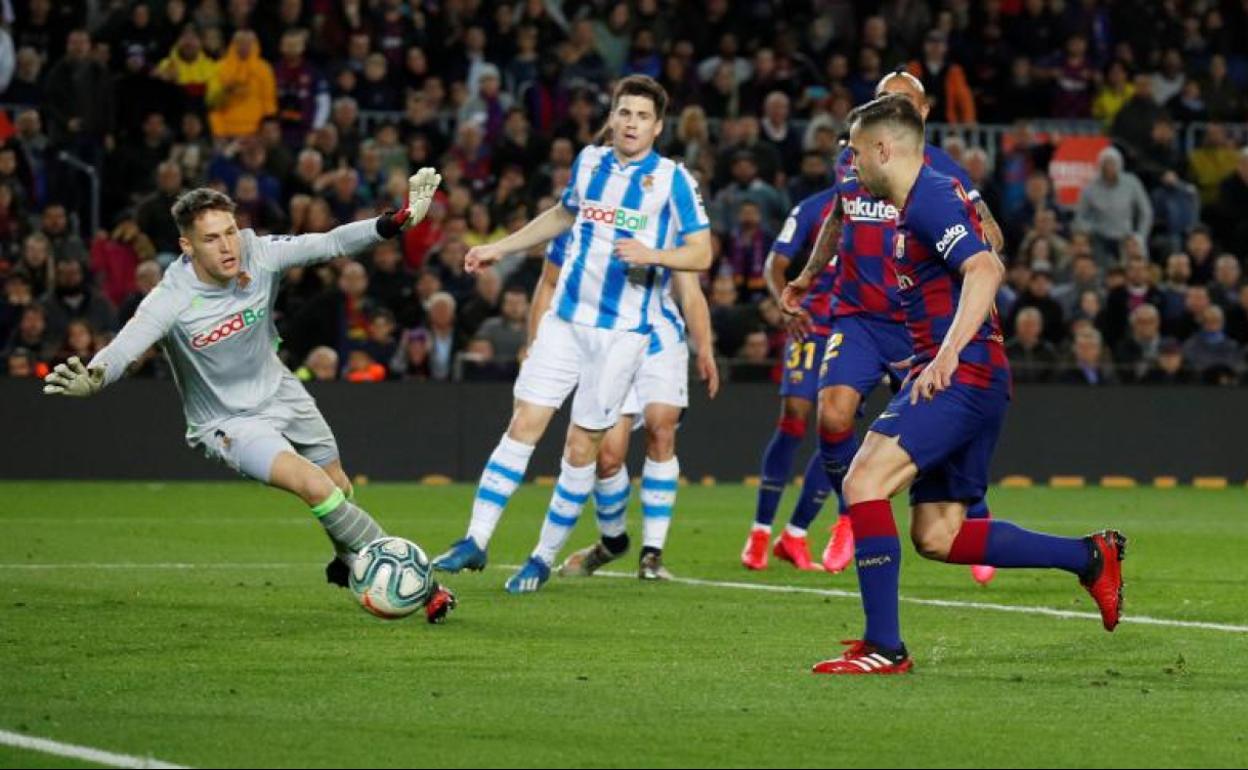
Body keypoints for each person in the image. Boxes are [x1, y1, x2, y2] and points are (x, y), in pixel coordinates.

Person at [41, 170, 457, 624]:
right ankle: (423, 586)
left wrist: (395, 221)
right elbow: (127, 344)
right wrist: (97, 376)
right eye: (211, 239)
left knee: (338, 487)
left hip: (280, 389)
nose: (227, 247)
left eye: (229, 233)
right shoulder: (172, 297)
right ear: (187, 247)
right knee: (314, 486)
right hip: (228, 421)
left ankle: (347, 562)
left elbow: (331, 242)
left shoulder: (258, 253)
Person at [807, 95, 1124, 674]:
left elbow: (986, 268)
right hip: (969, 376)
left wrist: (946, 354)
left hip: (963, 374)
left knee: (863, 481)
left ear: (883, 149)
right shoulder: (918, 201)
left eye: (855, 154)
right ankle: (1089, 556)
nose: (851, 167)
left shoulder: (927, 198)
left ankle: (885, 646)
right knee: (940, 535)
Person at [429, 76, 712, 594]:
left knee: (583, 447)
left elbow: (701, 252)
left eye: (642, 116)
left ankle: (540, 557)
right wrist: (500, 248)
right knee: (523, 423)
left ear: (658, 126)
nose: (631, 123)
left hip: (623, 334)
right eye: (623, 113)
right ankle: (475, 539)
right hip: (565, 321)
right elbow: (562, 215)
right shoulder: (588, 162)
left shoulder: (673, 180)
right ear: (612, 117)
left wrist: (654, 255)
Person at [770, 71, 1003, 585]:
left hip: (914, 326)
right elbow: (836, 218)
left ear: (922, 113)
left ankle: (974, 517)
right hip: (857, 317)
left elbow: (991, 242)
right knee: (832, 416)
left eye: (901, 102)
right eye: (881, 100)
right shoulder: (853, 163)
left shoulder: (943, 175)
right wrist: (808, 275)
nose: (888, 108)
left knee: (938, 436)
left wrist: (958, 268)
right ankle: (850, 517)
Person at [543, 230, 719, 581]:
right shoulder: (599, 217)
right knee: (607, 459)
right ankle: (613, 541)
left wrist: (705, 348)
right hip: (611, 338)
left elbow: (690, 292)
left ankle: (652, 555)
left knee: (661, 428)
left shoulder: (671, 219)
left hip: (660, 338)